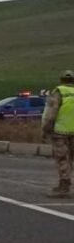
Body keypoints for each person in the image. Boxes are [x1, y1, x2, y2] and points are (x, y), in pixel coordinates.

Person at [42, 70, 74, 198]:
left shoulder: (58, 92)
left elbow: (50, 114)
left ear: (61, 80)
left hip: (61, 132)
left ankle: (64, 186)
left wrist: (46, 130)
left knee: (63, 159)